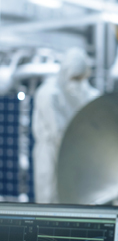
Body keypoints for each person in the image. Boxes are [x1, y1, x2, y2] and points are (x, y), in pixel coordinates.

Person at [32, 47, 99, 203]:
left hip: (76, 155)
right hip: (50, 155)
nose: (77, 82)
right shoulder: (49, 94)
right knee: (50, 198)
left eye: (80, 78)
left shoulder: (85, 91)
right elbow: (58, 132)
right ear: (65, 72)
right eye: (74, 77)